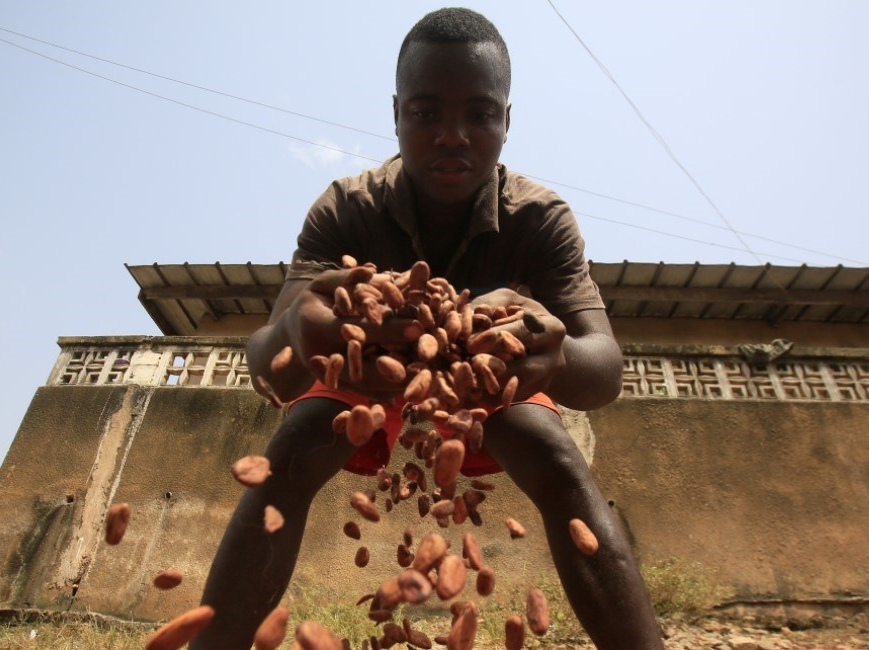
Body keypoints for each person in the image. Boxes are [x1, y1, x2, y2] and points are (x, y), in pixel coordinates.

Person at [193, 7, 664, 649]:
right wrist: (299, 337)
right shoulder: (343, 210)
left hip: (486, 376)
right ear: (395, 113)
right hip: (370, 370)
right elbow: (265, 361)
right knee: (297, 441)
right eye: (425, 113)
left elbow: (604, 363)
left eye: (478, 114)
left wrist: (551, 356)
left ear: (506, 120)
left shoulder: (540, 217)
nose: (452, 135)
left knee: (553, 452)